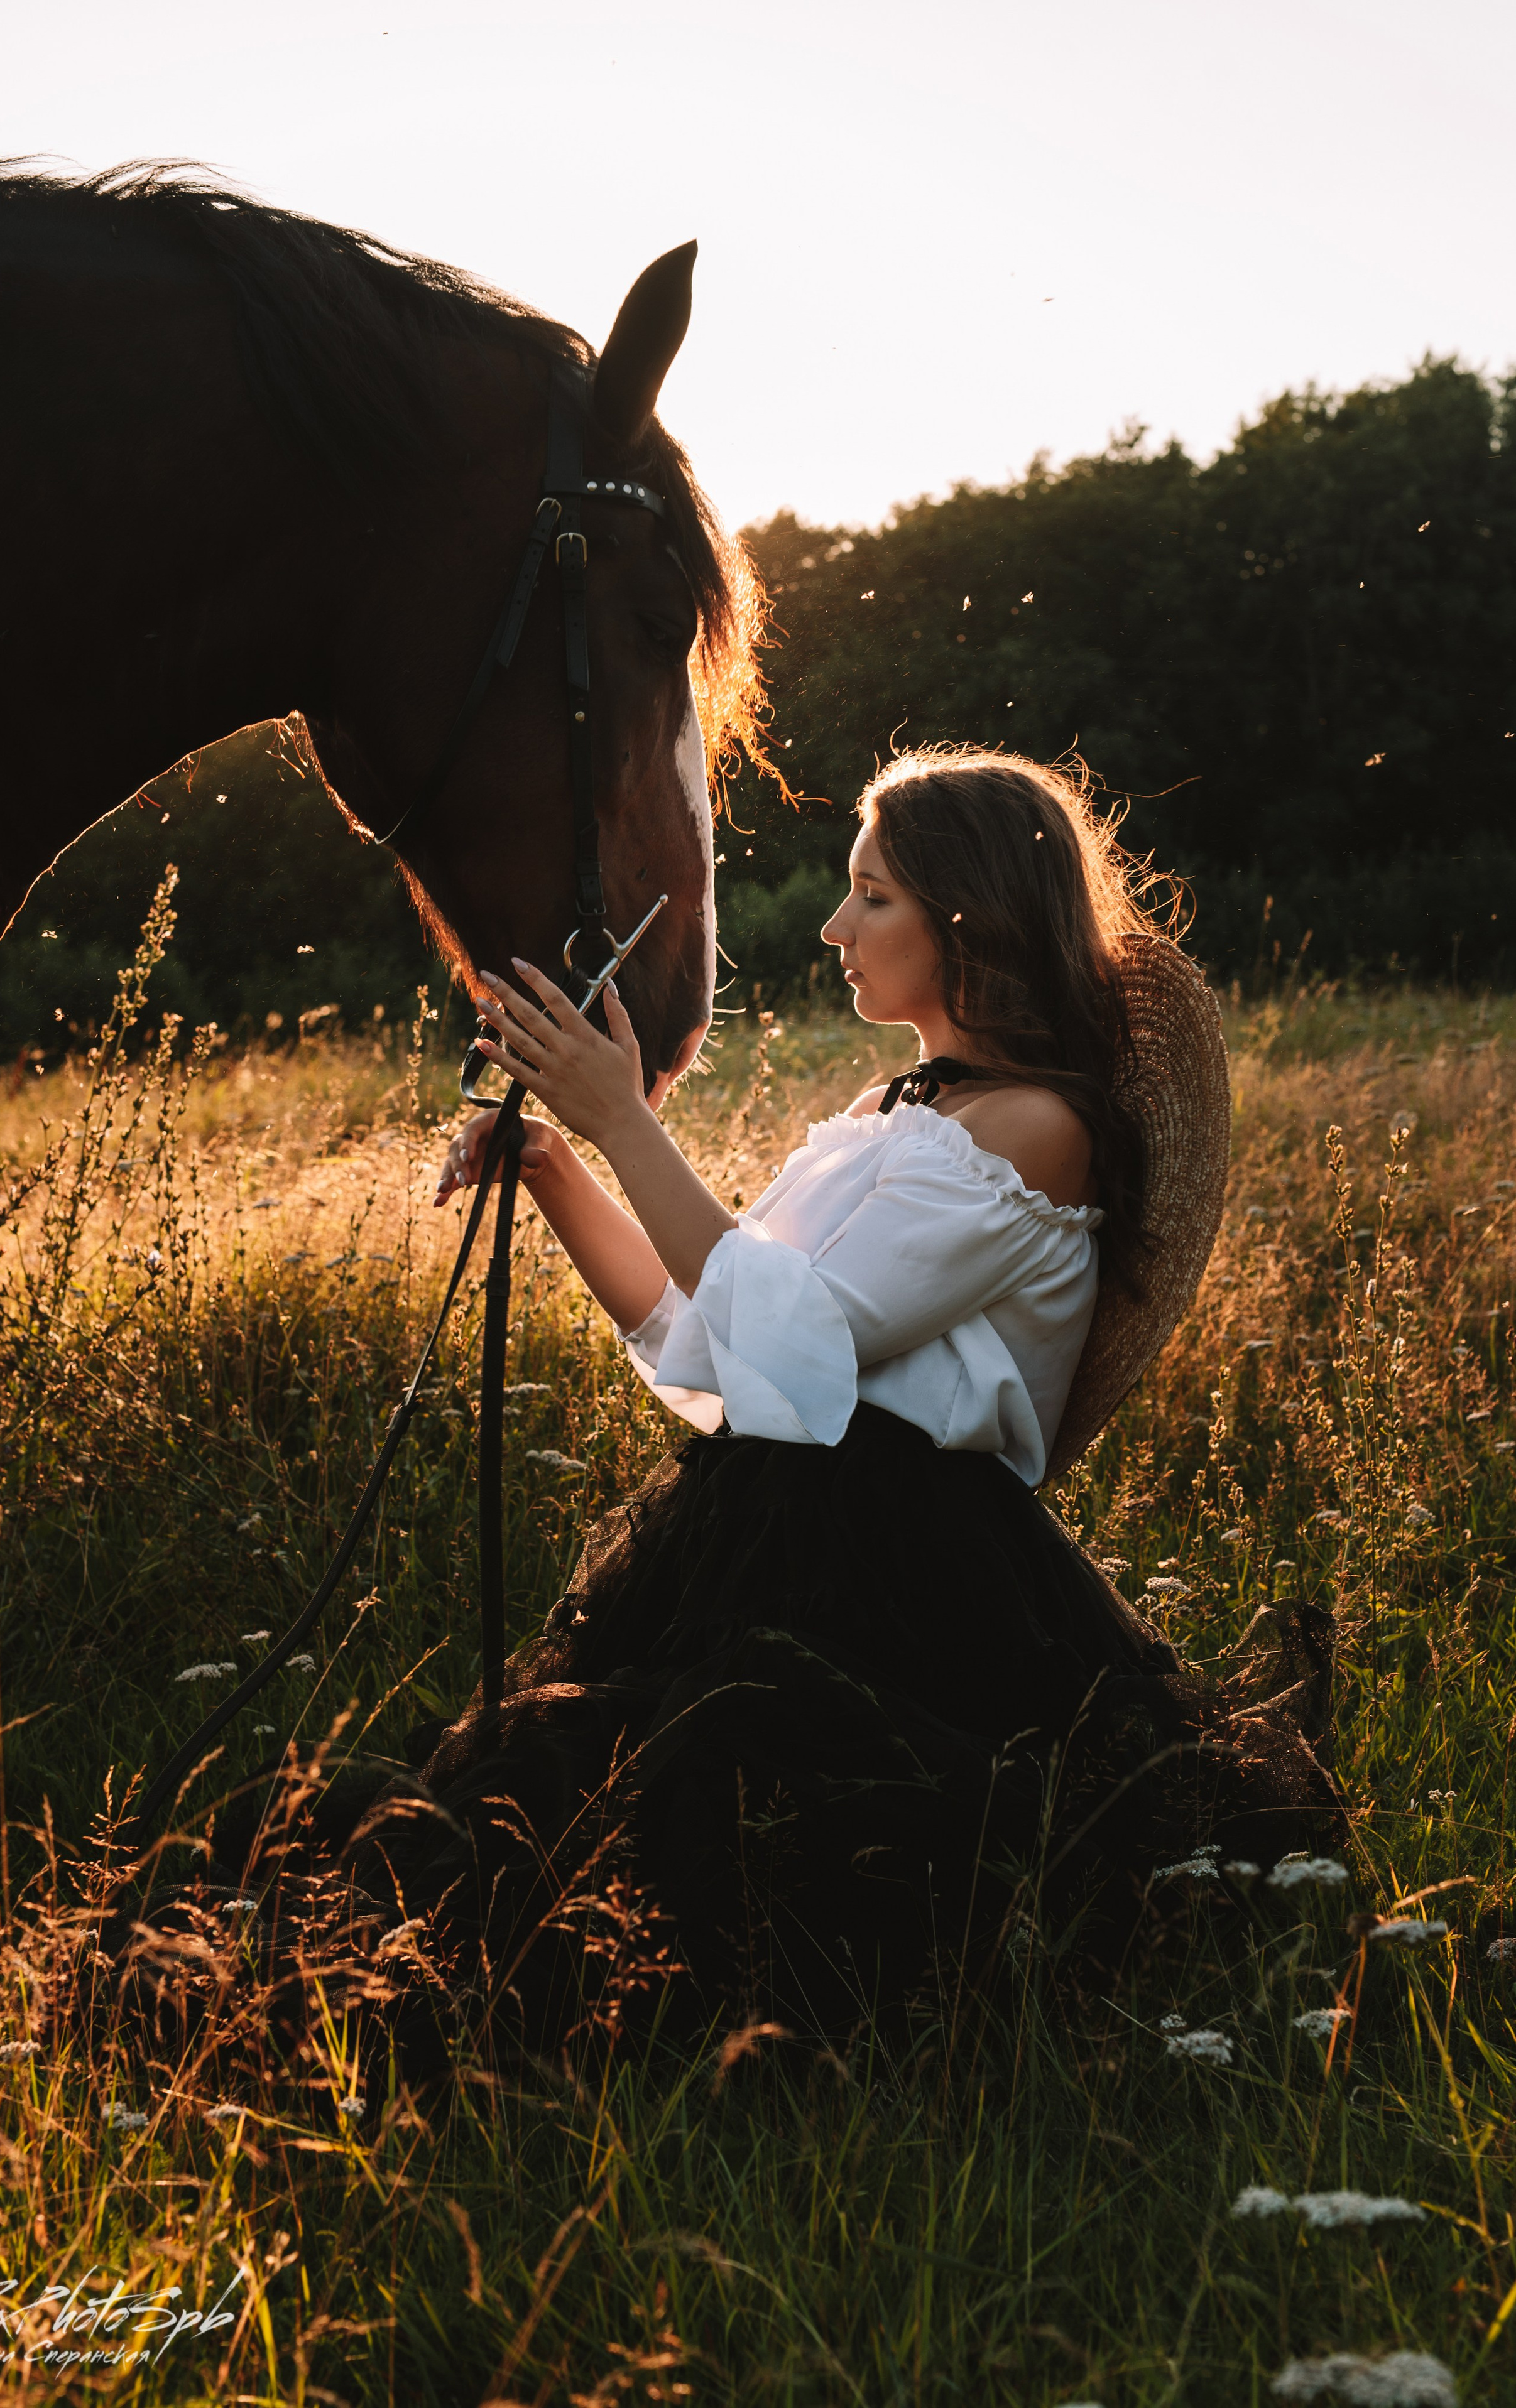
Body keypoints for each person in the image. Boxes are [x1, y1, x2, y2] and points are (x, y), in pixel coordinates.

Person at [383, 747, 1338, 2045]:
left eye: (872, 896)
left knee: (796, 1861)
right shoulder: (886, 1118)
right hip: (777, 1521)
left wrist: (624, 1120)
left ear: (969, 916)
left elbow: (805, 1329)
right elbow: (718, 1337)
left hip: (908, 1565)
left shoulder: (1034, 1131)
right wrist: (557, 1165)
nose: (835, 926)